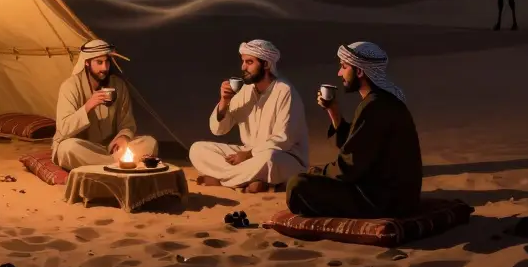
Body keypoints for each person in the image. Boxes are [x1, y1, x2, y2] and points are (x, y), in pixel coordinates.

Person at [286, 41, 423, 218]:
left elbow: (349, 166)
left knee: (298, 185)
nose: (339, 73)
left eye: (344, 67)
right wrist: (333, 111)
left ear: (359, 71)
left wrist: (319, 172)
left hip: (383, 200)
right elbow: (355, 146)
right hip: (391, 194)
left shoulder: (375, 106)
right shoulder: (379, 101)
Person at [188, 40, 310, 193]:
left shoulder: (285, 91)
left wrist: (249, 154)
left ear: (266, 64)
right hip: (247, 156)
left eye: (249, 62)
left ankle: (223, 180)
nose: (243, 67)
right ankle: (246, 181)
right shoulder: (245, 91)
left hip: (284, 157)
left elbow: (283, 140)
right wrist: (224, 102)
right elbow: (219, 130)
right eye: (243, 62)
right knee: (197, 149)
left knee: (269, 159)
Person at [52, 38, 159, 169]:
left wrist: (123, 138)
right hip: (85, 147)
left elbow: (127, 123)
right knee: (67, 149)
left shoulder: (118, 85)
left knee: (150, 143)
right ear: (87, 63)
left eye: (107, 62)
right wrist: (88, 106)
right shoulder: (70, 86)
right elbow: (64, 129)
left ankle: (104, 164)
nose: (105, 68)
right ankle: (115, 164)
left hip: (111, 147)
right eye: (99, 62)